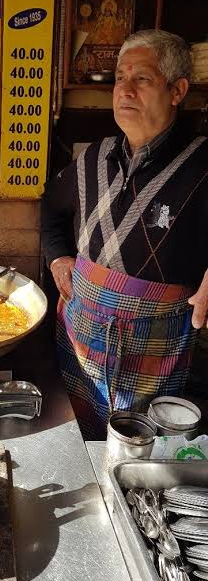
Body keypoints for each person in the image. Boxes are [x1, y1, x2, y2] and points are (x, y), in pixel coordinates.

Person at [41, 29, 208, 440]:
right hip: (81, 341)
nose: (125, 90)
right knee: (74, 440)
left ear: (177, 90)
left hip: (156, 348)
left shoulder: (204, 163)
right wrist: (58, 256)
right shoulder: (93, 158)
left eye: (142, 79)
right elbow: (50, 209)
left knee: (138, 451)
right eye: (119, 78)